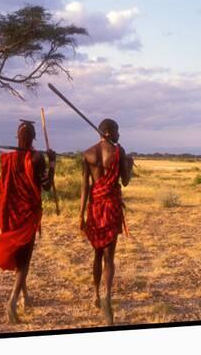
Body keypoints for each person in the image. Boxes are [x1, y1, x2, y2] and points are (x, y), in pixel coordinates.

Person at [0, 120, 56, 323]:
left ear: (18, 138)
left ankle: (25, 297)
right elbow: (47, 186)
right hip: (28, 216)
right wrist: (52, 164)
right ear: (33, 138)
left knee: (20, 257)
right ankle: (13, 300)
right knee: (24, 261)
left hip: (11, 214)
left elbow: (5, 188)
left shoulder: (8, 159)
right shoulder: (37, 158)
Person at [79, 118, 134, 326]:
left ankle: (95, 294)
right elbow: (126, 182)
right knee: (109, 258)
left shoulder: (88, 153)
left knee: (97, 253)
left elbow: (85, 187)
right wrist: (128, 164)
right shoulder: (119, 152)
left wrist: (80, 215)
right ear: (109, 132)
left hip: (94, 208)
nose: (120, 135)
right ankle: (107, 296)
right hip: (111, 207)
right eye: (117, 131)